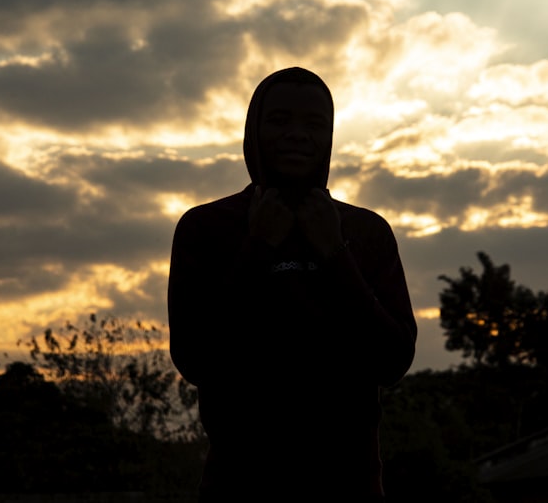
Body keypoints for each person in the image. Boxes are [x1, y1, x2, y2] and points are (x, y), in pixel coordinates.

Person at [168, 67, 417, 501]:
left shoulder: (366, 231)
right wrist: (259, 246)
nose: (298, 135)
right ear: (254, 131)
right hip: (237, 486)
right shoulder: (206, 228)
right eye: (280, 120)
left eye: (314, 124)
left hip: (351, 488)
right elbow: (195, 357)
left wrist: (334, 253)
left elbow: (392, 361)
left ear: (330, 137)